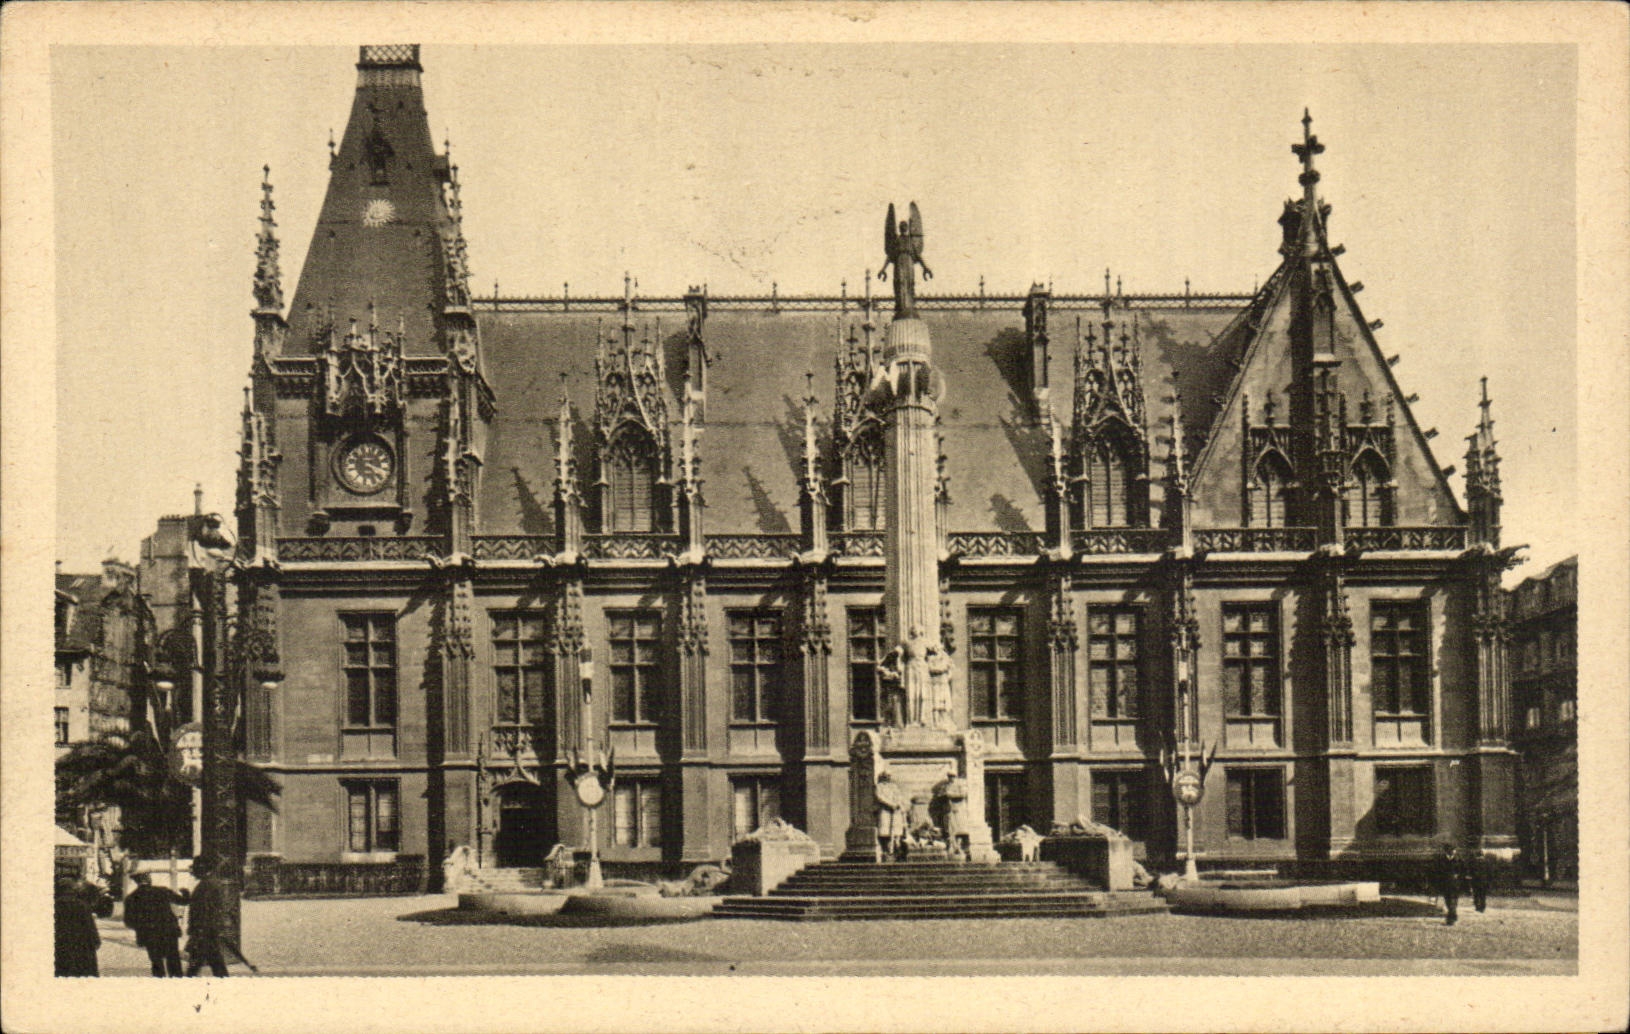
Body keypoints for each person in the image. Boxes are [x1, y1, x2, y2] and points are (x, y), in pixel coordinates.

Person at [124, 871, 188, 977]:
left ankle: (160, 988)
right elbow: (184, 901)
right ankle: (178, 987)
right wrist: (185, 892)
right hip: (169, 932)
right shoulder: (162, 891)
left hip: (149, 936)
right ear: (148, 879)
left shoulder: (131, 898)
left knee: (157, 964)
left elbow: (129, 922)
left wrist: (142, 928)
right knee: (174, 962)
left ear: (137, 881)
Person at [185, 855, 231, 977]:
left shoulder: (207, 885)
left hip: (204, 932)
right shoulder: (209, 883)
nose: (192, 871)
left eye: (195, 868)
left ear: (202, 868)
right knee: (214, 963)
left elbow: (205, 911)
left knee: (198, 964)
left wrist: (198, 931)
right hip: (207, 932)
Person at [54, 877, 101, 977]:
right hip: (82, 949)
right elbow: (90, 928)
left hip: (61, 949)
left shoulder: (54, 906)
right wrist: (96, 942)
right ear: (73, 889)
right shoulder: (82, 905)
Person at [1430, 844, 1462, 926]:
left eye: (1454, 850)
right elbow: (1437, 872)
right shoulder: (1441, 860)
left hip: (1455, 884)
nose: (1454, 851)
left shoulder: (1458, 859)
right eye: (1452, 850)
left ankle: (1450, 919)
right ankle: (1453, 916)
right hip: (1445, 884)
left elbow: (1463, 871)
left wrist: (1458, 876)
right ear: (1447, 851)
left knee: (1453, 901)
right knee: (1448, 901)